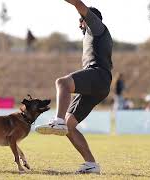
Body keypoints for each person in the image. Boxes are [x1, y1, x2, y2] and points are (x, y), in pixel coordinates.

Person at [35, 0, 112, 174]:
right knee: (70, 128)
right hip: (99, 84)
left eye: (80, 20)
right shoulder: (91, 35)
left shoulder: (97, 27)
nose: (79, 24)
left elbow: (78, 3)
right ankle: (91, 164)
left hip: (98, 75)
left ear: (88, 18)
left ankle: (58, 120)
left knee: (62, 83)